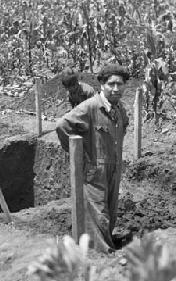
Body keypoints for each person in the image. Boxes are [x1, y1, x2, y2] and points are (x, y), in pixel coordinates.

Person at [56, 64, 130, 252]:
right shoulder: (90, 107)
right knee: (99, 214)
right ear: (102, 85)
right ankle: (103, 255)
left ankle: (106, 244)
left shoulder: (119, 109)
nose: (115, 88)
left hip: (114, 168)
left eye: (120, 84)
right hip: (95, 170)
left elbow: (123, 128)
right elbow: (63, 125)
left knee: (111, 211)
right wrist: (79, 155)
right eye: (111, 84)